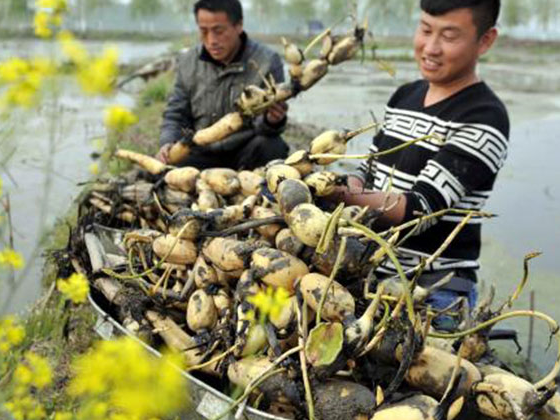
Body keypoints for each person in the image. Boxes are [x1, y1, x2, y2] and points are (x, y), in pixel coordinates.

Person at [331, 0, 509, 329]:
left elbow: (419, 209)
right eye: (425, 30)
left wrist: (337, 196)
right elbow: (368, 168)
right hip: (372, 270)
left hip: (435, 289)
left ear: (485, 40)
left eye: (449, 36)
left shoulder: (485, 118)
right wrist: (350, 185)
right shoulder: (404, 97)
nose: (430, 47)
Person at [156, 0, 289, 170]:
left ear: (239, 25)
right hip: (201, 152)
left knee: (272, 146)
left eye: (219, 31)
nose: (211, 40)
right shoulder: (188, 61)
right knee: (162, 168)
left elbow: (268, 129)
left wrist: (272, 121)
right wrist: (167, 142)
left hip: (245, 152)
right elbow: (175, 114)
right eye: (204, 31)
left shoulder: (267, 61)